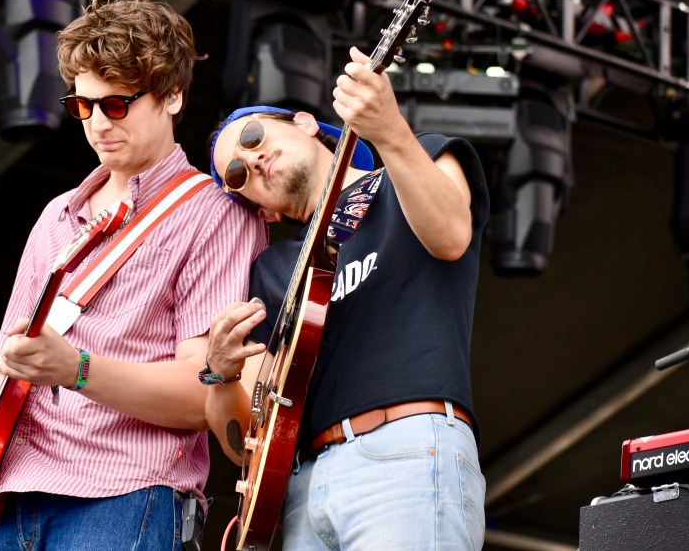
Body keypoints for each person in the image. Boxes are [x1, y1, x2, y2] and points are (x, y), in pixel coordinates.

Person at [0, 0, 268, 550]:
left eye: (116, 104)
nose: (97, 123)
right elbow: (9, 364)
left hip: (127, 494)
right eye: (82, 106)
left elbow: (199, 395)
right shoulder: (56, 216)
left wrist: (76, 369)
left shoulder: (216, 213)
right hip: (6, 498)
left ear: (173, 96)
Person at [201, 45, 489, 549]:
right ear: (260, 211)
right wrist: (221, 374)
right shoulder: (272, 272)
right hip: (305, 489)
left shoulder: (419, 161)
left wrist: (391, 131)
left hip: (406, 448)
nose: (252, 158)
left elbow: (451, 235)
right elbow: (248, 446)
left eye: (252, 138)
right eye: (237, 174)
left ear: (307, 123)